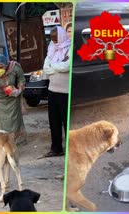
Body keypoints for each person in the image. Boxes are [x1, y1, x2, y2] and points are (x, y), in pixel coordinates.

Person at [42, 26, 71, 157]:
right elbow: (45, 67)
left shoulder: (70, 47)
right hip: (52, 90)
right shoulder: (52, 48)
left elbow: (67, 66)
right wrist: (56, 67)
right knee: (54, 121)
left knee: (67, 122)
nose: (54, 41)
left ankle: (71, 149)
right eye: (52, 39)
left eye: (56, 38)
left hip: (65, 92)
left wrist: (53, 67)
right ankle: (56, 148)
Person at [0, 54, 26, 145]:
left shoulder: (14, 67)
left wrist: (18, 90)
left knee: (15, 120)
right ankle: (3, 142)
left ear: (6, 65)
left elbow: (21, 79)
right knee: (1, 122)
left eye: (1, 67)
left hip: (13, 99)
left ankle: (16, 140)